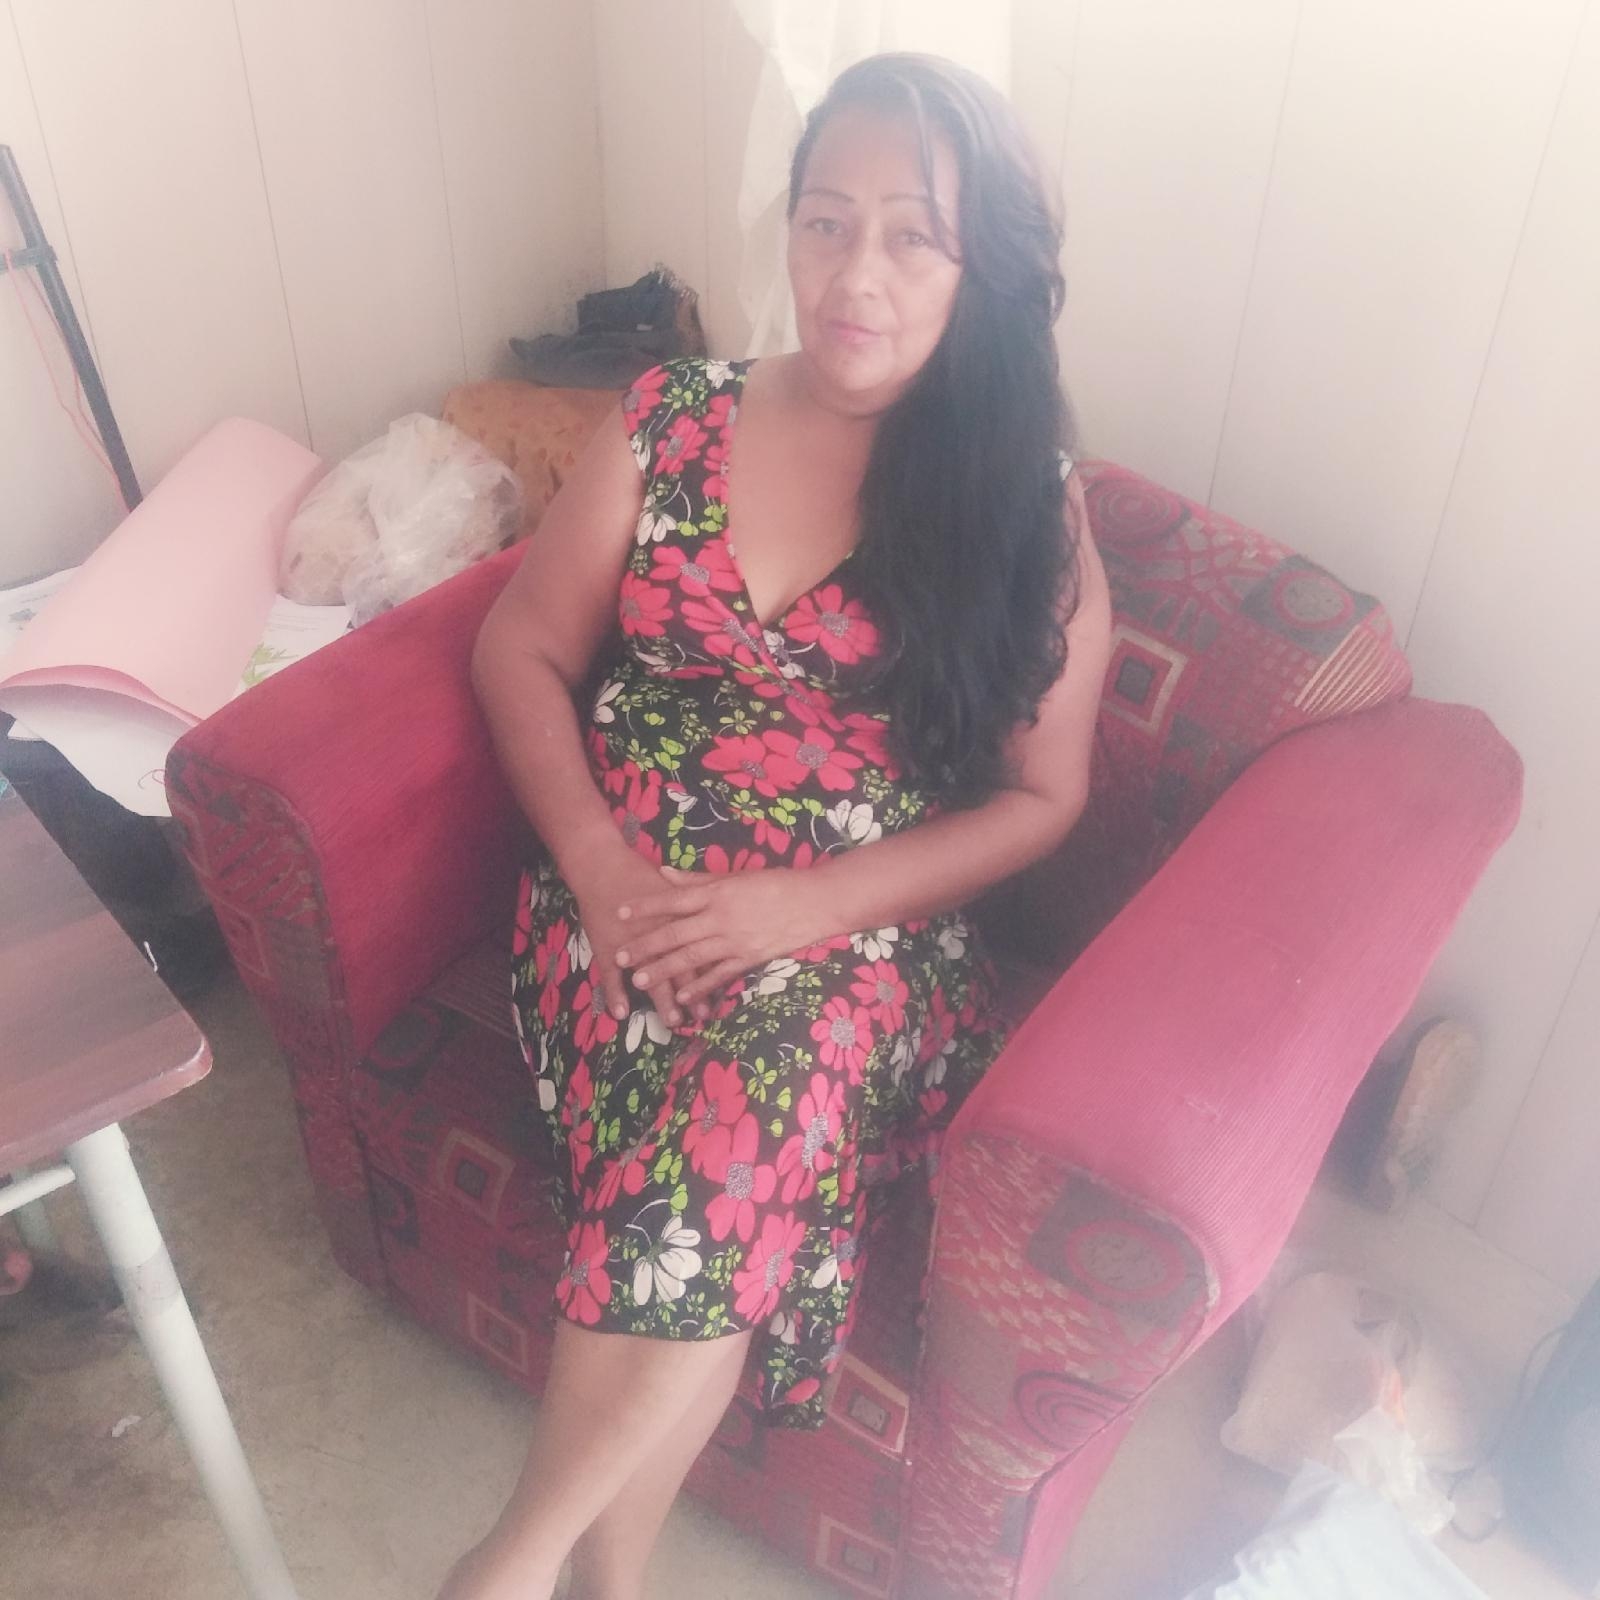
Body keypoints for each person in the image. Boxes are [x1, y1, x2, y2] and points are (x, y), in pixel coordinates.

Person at [447, 51, 1112, 1600]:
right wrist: (601, 869)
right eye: (826, 222)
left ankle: (507, 1569)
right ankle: (598, 1584)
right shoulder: (672, 418)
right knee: (730, 1159)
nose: (855, 274)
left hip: (857, 942)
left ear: (983, 267)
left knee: (768, 1071)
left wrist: (802, 909)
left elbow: (1046, 795)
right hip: (619, 909)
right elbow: (519, 650)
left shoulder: (1022, 504)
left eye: (912, 236)